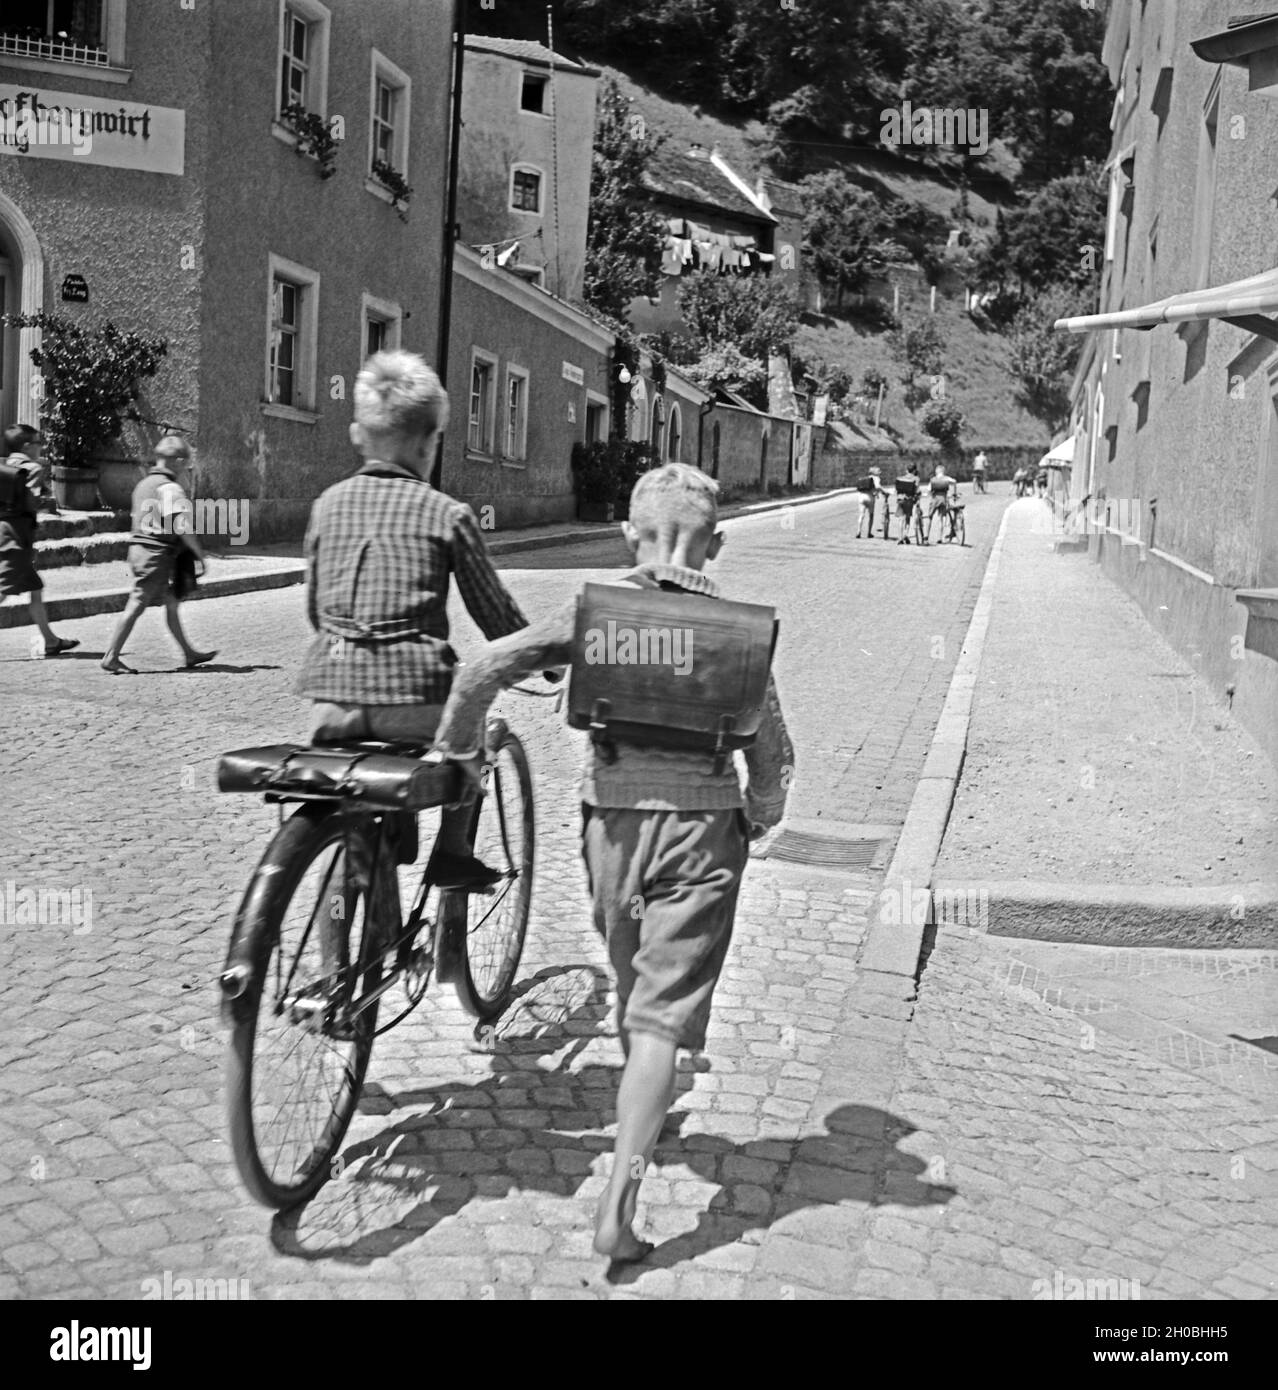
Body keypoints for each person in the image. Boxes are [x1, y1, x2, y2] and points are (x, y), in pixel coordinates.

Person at [431, 463, 794, 1265]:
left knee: (640, 1009)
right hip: (703, 834)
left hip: (612, 837)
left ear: (630, 532)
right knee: (659, 1025)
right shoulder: (737, 633)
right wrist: (761, 819)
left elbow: (482, 670)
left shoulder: (594, 615)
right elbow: (773, 760)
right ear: (718, 544)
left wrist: (459, 768)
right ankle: (618, 1209)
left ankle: (641, 1108)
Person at [298, 348, 529, 888]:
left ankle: (365, 865)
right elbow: (493, 611)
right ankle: (451, 852)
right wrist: (542, 661)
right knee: (480, 721)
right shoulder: (447, 514)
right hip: (419, 704)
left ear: (358, 435)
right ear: (431, 443)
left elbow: (316, 610)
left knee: (360, 767)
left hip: (331, 705)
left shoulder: (326, 505)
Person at [101, 434, 215, 674]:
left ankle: (189, 653)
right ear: (178, 460)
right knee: (137, 603)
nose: (186, 469)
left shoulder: (143, 485)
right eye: (186, 463)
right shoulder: (170, 488)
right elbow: (181, 525)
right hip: (156, 553)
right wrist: (199, 554)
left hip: (139, 550)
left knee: (171, 603)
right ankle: (111, 656)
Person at [0, 424, 78, 656]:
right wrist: (47, 503)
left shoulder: (3, 465)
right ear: (26, 446)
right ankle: (51, 640)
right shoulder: (32, 468)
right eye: (37, 443)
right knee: (2, 590)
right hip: (16, 537)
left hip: (4, 531)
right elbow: (34, 501)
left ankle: (51, 640)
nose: (40, 447)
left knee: (35, 587)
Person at [925, 462, 956, 543]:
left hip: (935, 499)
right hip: (943, 499)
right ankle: (939, 538)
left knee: (929, 517)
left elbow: (928, 490)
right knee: (941, 518)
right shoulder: (946, 478)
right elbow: (954, 482)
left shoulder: (933, 479)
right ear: (943, 471)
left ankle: (926, 536)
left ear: (936, 472)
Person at [894, 463, 920, 545]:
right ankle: (906, 534)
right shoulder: (916, 478)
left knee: (901, 519)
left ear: (906, 470)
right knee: (908, 518)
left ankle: (899, 537)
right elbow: (916, 490)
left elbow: (896, 490)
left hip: (900, 499)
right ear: (914, 470)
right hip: (909, 500)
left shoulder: (900, 478)